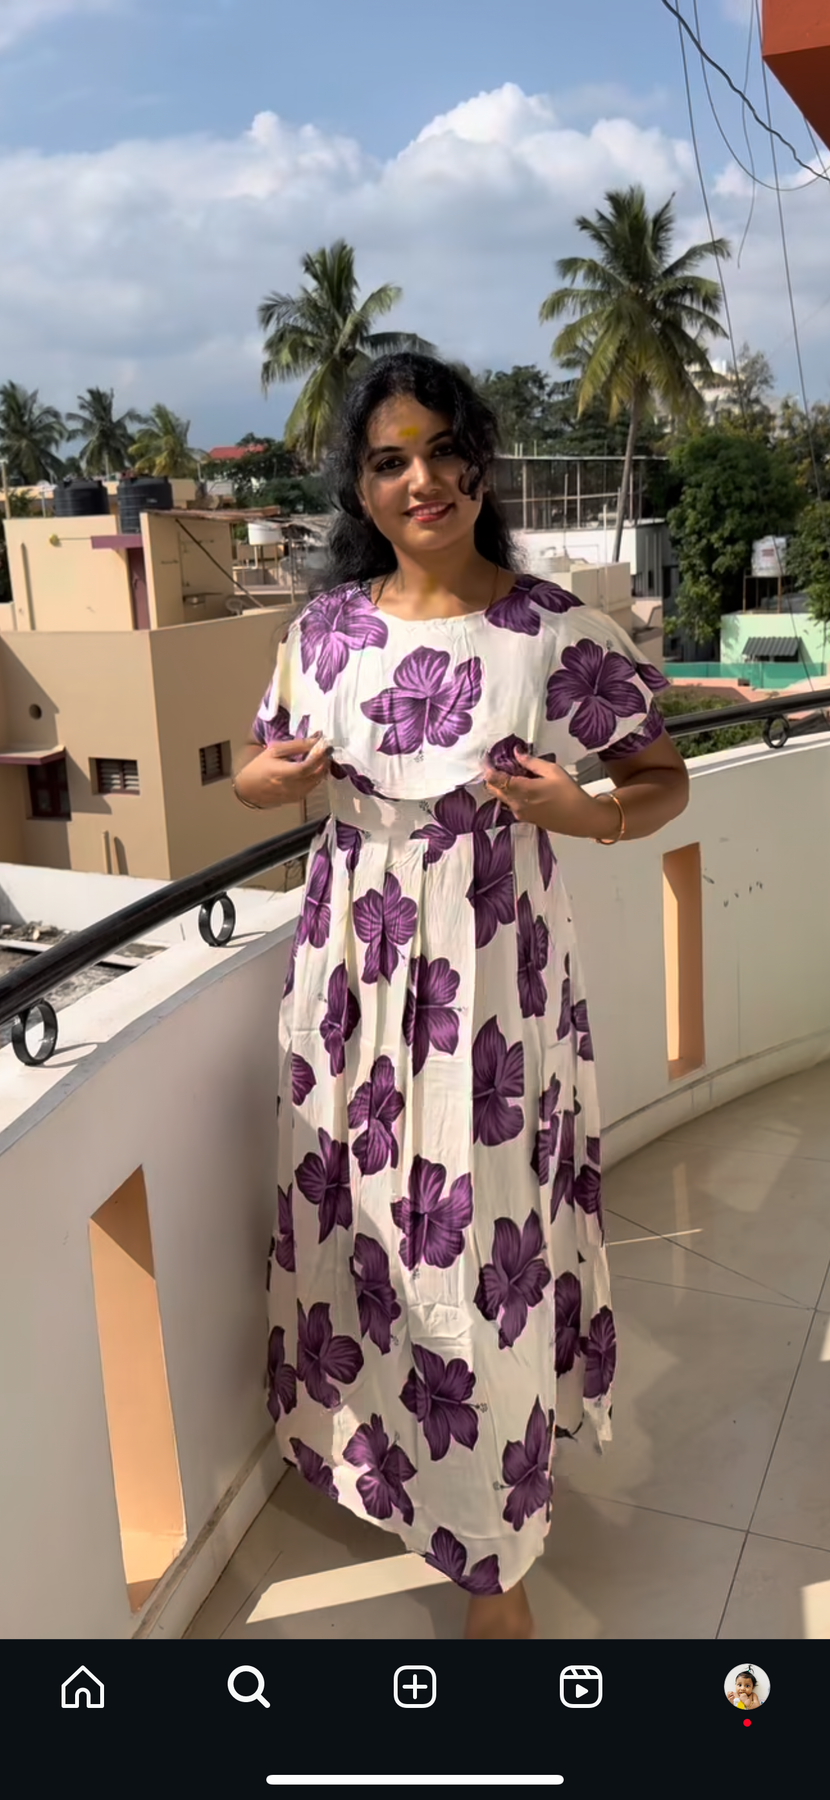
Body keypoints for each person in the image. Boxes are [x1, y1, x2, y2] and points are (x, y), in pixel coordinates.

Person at [232, 352, 689, 1639]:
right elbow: (258, 774)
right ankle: (389, 1466)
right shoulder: (323, 634)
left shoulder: (550, 631)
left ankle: (494, 1551)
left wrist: (585, 814)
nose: (420, 479)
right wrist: (271, 785)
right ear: (360, 488)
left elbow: (658, 779)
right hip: (349, 980)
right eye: (389, 461)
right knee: (363, 1236)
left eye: (440, 450)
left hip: (490, 998)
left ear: (478, 464)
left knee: (478, 1250)